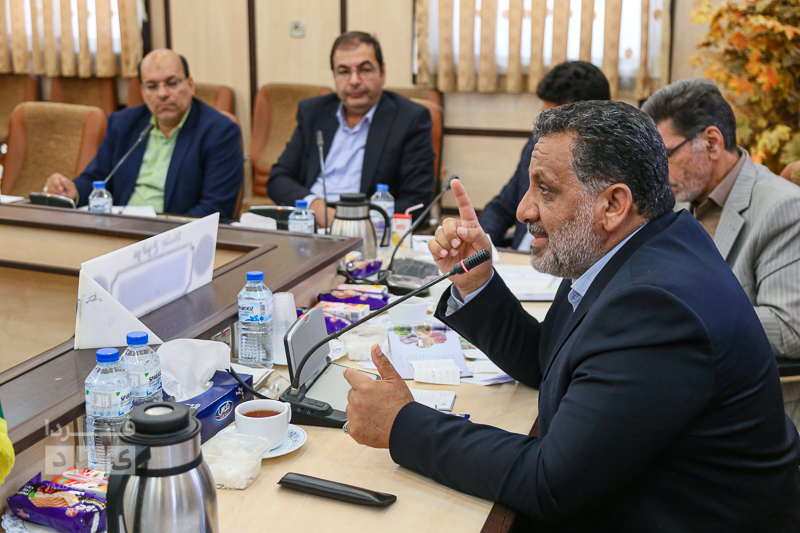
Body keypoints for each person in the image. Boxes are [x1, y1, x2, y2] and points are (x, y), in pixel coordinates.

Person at [344, 101, 800, 531]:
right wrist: (476, 282)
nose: (523, 209)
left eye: (545, 189)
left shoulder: (654, 306)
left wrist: (403, 425)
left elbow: (551, 483)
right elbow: (548, 361)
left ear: (613, 205)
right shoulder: (627, 248)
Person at [642, 79, 800, 360]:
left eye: (666, 155)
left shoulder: (783, 207)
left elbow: (789, 329)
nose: (658, 171)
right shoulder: (675, 197)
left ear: (712, 142)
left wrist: (677, 317)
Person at [44, 49, 243, 219]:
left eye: (172, 83)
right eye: (152, 86)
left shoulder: (219, 131)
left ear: (190, 85)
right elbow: (97, 179)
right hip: (121, 230)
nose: (162, 93)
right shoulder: (123, 124)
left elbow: (216, 208)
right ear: (142, 92)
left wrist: (166, 232)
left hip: (177, 236)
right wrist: (74, 191)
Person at [267, 32, 435, 228]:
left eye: (365, 70)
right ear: (335, 76)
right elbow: (278, 178)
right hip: (311, 223)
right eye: (344, 71)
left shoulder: (410, 118)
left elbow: (416, 200)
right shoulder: (313, 112)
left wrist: (356, 221)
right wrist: (313, 205)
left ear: (382, 73)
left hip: (367, 228)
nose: (354, 80)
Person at [479, 61, 610, 249]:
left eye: (556, 121)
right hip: (519, 260)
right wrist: (479, 241)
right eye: (544, 116)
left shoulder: (606, 167)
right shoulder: (536, 147)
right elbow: (502, 208)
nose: (546, 130)